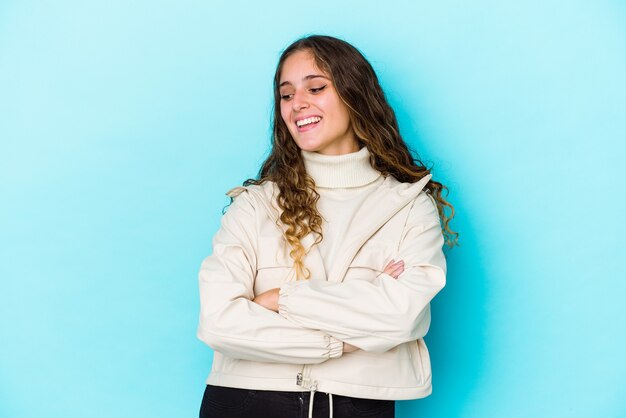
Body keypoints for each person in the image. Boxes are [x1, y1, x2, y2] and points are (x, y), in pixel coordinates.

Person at [197, 35, 457, 418]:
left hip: (355, 403)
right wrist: (347, 339)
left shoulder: (409, 207)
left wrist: (280, 299)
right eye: (286, 95)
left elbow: (402, 316)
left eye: (315, 88)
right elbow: (218, 323)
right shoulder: (253, 206)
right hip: (244, 399)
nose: (297, 104)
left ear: (355, 95)